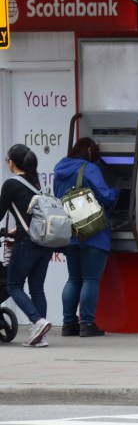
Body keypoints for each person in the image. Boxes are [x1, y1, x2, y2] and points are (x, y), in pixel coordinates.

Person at [53, 138, 118, 337]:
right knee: (90, 278)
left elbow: (59, 196)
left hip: (71, 232)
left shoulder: (60, 171)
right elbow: (106, 197)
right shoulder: (89, 169)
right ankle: (87, 324)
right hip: (93, 232)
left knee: (73, 279)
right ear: (89, 151)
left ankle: (68, 324)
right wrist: (116, 191)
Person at [0, 144, 52, 347]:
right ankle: (41, 337)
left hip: (27, 243)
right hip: (44, 242)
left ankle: (38, 322)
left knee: (13, 285)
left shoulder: (11, 184)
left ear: (12, 162)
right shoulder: (35, 181)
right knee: (37, 288)